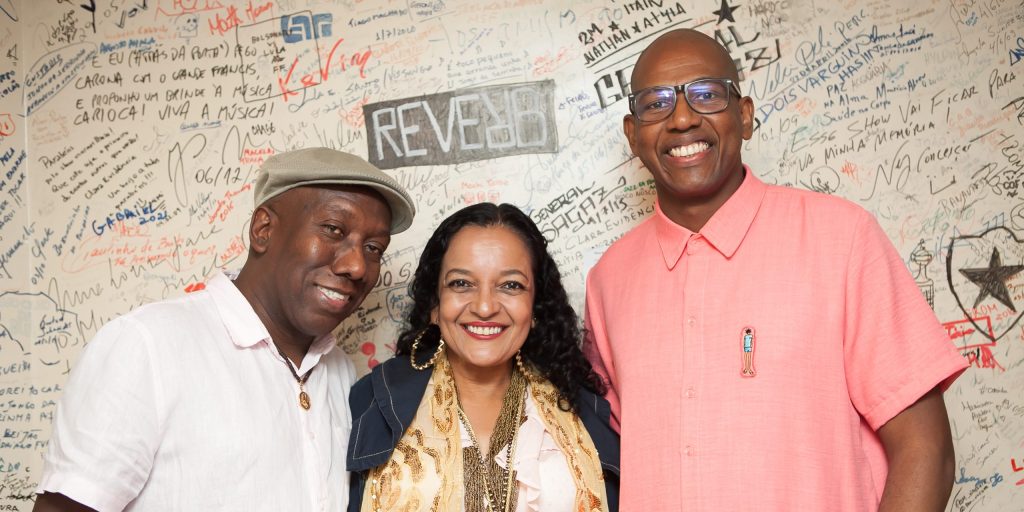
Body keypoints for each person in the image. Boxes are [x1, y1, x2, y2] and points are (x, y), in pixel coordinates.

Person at [583, 29, 968, 511]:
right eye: (656, 103)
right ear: (632, 134)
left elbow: (926, 450)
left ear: (744, 116)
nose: (681, 118)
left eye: (707, 94)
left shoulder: (843, 239)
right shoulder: (608, 281)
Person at [33, 148, 416, 512]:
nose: (357, 266)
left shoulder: (339, 370)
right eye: (333, 229)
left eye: (373, 248)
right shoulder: (148, 345)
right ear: (263, 229)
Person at [347, 202, 619, 512]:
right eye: (461, 283)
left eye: (511, 285)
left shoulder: (585, 411)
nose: (485, 307)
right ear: (435, 304)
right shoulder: (370, 403)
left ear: (535, 307)